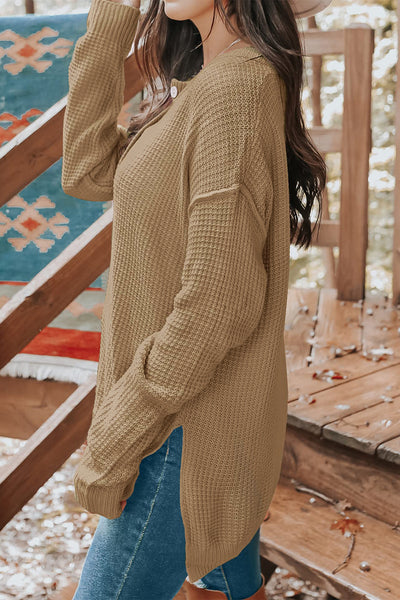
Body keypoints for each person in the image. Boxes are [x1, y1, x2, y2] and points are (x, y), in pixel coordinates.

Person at [61, 0, 331, 598]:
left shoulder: (236, 90)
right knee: (229, 583)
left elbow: (218, 301)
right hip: (193, 411)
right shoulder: (204, 85)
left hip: (181, 430)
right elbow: (86, 169)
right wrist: (111, 19)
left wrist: (121, 431)